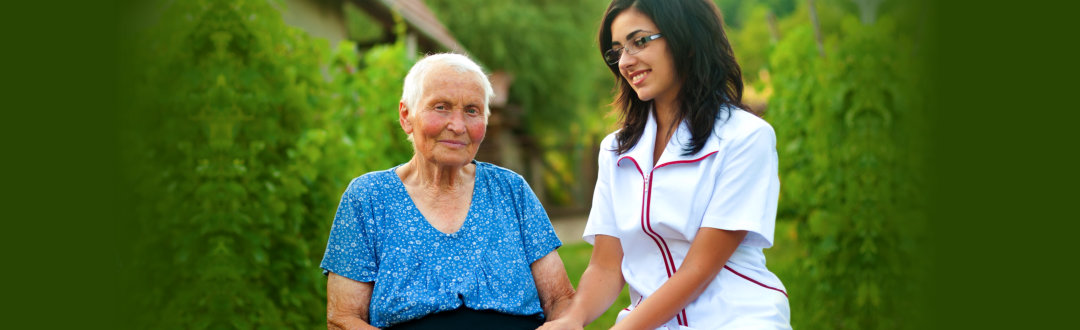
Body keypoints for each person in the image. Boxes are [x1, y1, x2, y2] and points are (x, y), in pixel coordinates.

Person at [540, 0, 790, 329]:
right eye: (617, 51)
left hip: (737, 319)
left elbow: (699, 268)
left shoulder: (746, 137)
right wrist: (572, 319)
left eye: (639, 41)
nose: (626, 62)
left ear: (685, 40)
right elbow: (606, 266)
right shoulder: (615, 151)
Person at [320, 53, 574, 329]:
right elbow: (343, 319)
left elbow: (561, 300)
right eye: (441, 107)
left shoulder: (511, 191)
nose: (457, 125)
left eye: (472, 110)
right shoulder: (368, 198)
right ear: (406, 116)